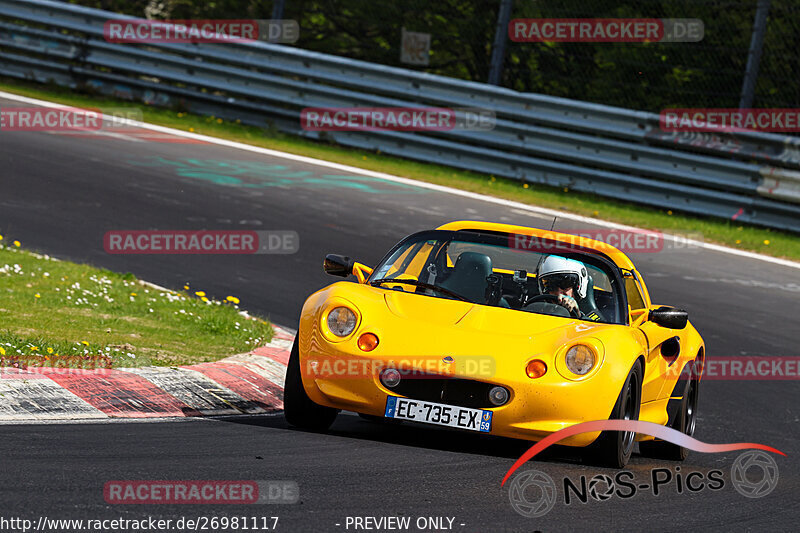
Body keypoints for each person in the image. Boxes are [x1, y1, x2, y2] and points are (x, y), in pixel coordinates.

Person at [536, 255, 601, 321]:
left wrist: (577, 315)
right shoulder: (535, 310)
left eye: (565, 284)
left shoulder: (594, 322)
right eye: (551, 286)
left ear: (578, 286)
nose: (559, 293)